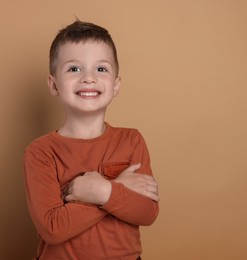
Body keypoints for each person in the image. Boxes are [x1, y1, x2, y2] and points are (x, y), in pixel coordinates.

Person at [23, 20, 159, 260]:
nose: (88, 78)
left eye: (101, 69)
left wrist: (103, 190)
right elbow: (52, 228)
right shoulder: (40, 152)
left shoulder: (132, 140)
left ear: (116, 86)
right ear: (54, 84)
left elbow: (147, 212)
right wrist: (120, 186)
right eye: (74, 69)